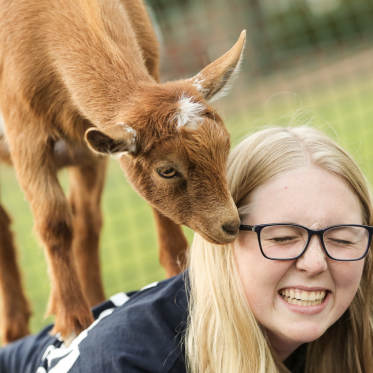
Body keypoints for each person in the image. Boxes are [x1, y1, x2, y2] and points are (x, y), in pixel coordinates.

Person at [1, 125, 373, 373]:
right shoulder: (132, 361)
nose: (314, 262)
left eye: (342, 238)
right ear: (220, 242)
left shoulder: (350, 332)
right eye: (281, 238)